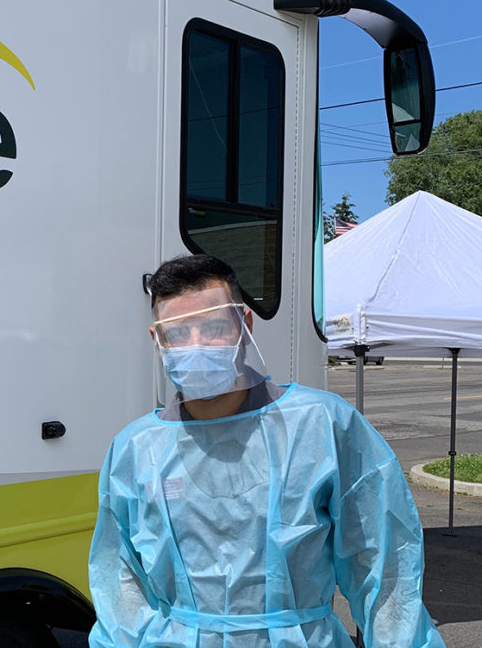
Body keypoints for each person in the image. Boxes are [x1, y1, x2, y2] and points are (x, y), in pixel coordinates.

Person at [88, 254, 444, 648]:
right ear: (159, 342)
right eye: (178, 334)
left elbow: (382, 565)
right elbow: (120, 582)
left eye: (213, 327)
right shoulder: (137, 448)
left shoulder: (320, 424)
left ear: (245, 324)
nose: (197, 345)